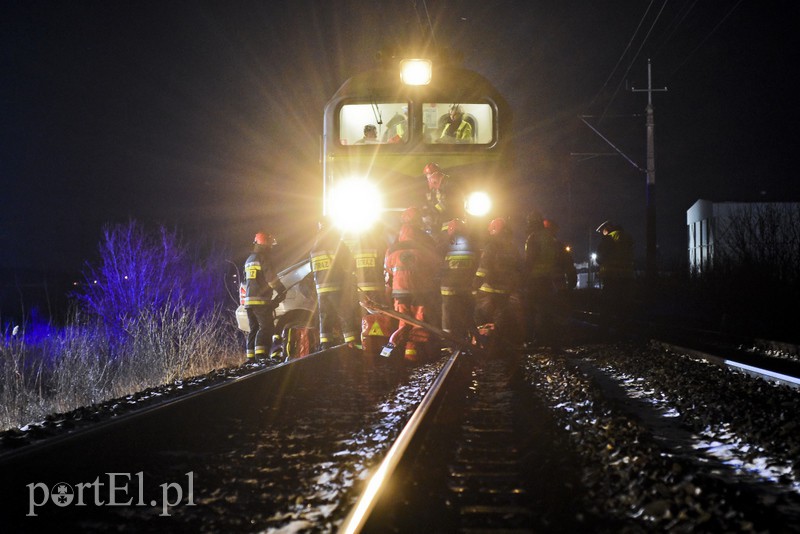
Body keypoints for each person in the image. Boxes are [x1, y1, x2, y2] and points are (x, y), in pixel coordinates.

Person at [384, 222, 439, 362]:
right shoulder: (424, 249)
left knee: (403, 322)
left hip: (400, 292)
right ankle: (412, 353)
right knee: (419, 323)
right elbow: (435, 267)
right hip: (421, 292)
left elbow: (388, 269)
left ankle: (388, 353)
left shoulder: (392, 250)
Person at [310, 218, 359, 349]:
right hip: (336, 286)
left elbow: (312, 270)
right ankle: (351, 344)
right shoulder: (337, 244)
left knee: (325, 317)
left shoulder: (314, 248)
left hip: (321, 290)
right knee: (345, 314)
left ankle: (325, 345)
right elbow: (349, 263)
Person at [474, 218, 523, 346]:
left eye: (491, 228)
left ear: (495, 230)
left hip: (488, 291)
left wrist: (475, 285)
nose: (488, 230)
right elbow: (519, 268)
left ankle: (483, 345)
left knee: (481, 319)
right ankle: (498, 345)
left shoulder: (491, 246)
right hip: (505, 292)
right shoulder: (512, 248)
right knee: (499, 321)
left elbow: (483, 268)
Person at [243, 232, 286, 361]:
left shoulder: (249, 259)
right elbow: (271, 279)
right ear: (265, 243)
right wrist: (281, 289)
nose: (271, 246)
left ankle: (251, 358)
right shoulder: (263, 258)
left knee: (254, 329)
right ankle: (261, 356)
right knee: (266, 328)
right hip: (260, 301)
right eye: (270, 243)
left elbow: (247, 281)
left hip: (249, 302)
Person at [439, 218, 478, 342]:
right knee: (465, 315)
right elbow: (477, 265)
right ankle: (468, 339)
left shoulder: (445, 244)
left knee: (448, 316)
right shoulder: (472, 245)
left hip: (448, 288)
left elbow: (435, 262)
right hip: (466, 288)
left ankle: (448, 340)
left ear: (450, 230)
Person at [595, 220, 635, 336]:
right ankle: (622, 330)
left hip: (611, 277)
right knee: (623, 305)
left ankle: (603, 332)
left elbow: (600, 258)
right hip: (627, 276)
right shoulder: (627, 237)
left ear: (607, 229)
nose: (602, 234)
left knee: (607, 304)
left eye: (603, 231)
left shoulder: (609, 238)